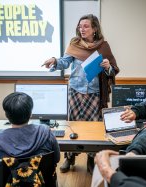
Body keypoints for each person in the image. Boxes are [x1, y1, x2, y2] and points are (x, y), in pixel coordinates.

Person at [43, 14, 119, 173]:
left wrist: (107, 66)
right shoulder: (74, 43)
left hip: (95, 93)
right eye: (80, 26)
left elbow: (113, 69)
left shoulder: (103, 46)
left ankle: (91, 159)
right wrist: (55, 61)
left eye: (86, 26)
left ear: (94, 29)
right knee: (73, 125)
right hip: (75, 90)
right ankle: (69, 158)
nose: (81, 29)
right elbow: (65, 61)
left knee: (93, 128)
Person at [0, 92, 60, 164]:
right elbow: (56, 159)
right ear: (30, 114)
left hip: (9, 179)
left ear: (6, 115)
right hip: (43, 178)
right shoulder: (46, 132)